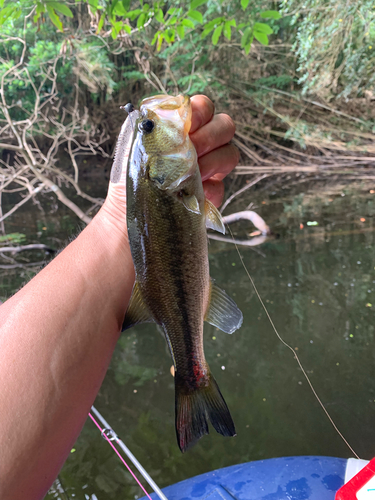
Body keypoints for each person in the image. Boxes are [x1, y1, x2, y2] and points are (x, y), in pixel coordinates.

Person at [0, 95, 240, 500]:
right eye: (147, 131)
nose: (151, 124)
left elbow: (143, 210)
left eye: (146, 130)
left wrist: (117, 223)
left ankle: (192, 376)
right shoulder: (166, 183)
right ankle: (193, 378)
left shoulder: (167, 185)